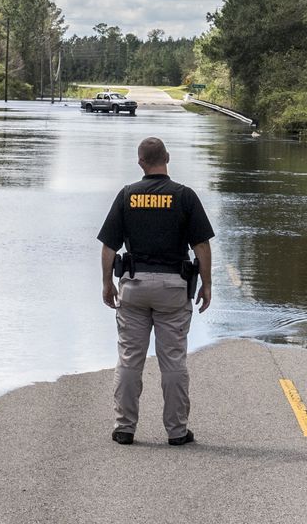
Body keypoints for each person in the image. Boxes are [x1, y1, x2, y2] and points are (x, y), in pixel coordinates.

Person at [97, 136, 214, 446]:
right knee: (173, 362)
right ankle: (176, 432)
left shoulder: (127, 195)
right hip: (173, 290)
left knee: (129, 360)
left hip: (134, 288)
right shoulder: (184, 196)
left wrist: (107, 283)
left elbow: (110, 246)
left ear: (140, 163)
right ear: (168, 158)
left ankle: (124, 428)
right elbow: (201, 245)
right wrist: (207, 284)